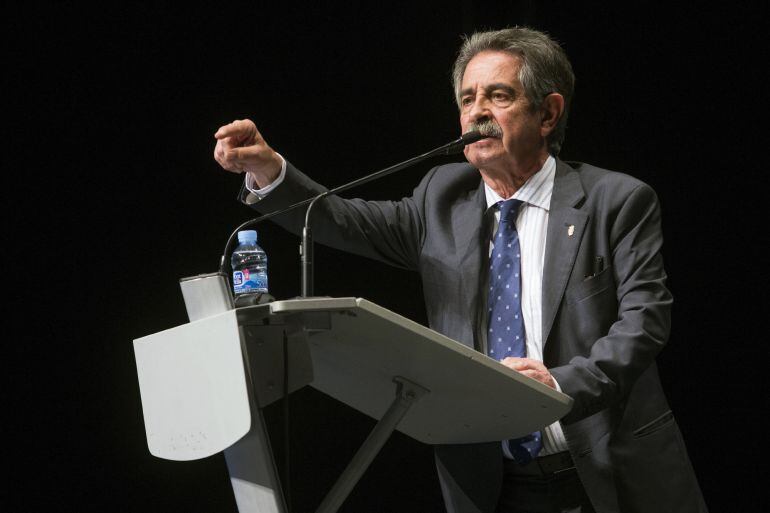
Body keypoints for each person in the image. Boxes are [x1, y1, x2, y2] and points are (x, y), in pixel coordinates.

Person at [213, 27, 706, 513]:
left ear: (548, 113)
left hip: (606, 471)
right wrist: (269, 171)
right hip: (490, 483)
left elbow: (645, 322)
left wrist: (558, 387)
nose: (478, 112)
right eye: (468, 99)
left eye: (499, 95)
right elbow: (343, 222)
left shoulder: (615, 202)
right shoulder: (441, 200)